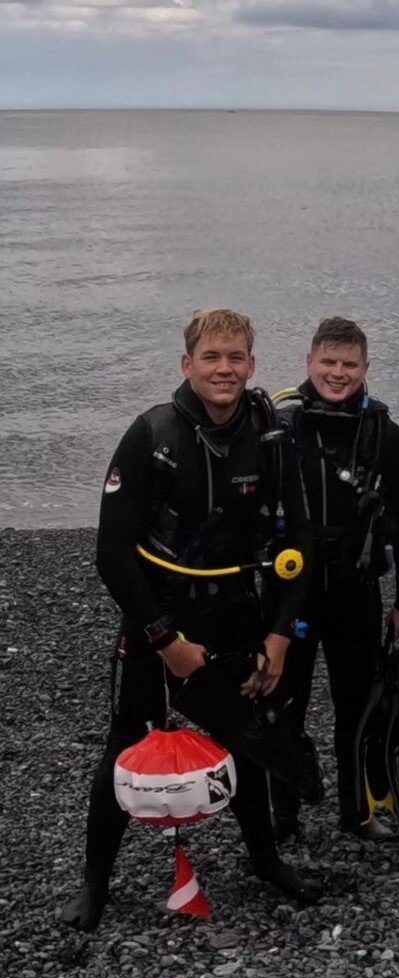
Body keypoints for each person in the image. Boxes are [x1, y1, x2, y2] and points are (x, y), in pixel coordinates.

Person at [61, 309, 322, 933]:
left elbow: (304, 546)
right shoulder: (151, 436)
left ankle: (264, 859)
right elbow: (112, 554)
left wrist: (280, 633)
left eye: (236, 358)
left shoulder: (272, 437)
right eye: (211, 358)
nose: (224, 369)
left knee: (247, 740)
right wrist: (163, 639)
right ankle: (95, 882)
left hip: (239, 617)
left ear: (253, 366)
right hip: (159, 619)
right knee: (125, 745)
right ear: (188, 365)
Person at [276, 317, 399, 841]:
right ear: (309, 364)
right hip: (291, 592)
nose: (338, 374)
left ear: (366, 369)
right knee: (283, 701)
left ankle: (356, 809)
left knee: (357, 704)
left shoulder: (387, 436)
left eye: (349, 365)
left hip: (356, 587)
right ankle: (283, 810)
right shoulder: (280, 430)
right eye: (328, 363)